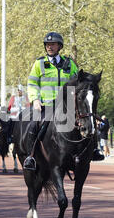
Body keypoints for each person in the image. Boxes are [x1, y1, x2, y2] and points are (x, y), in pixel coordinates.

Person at [23, 32, 81, 171]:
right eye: (47, 44)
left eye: (53, 44)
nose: (49, 47)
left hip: (67, 107)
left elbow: (78, 83)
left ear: (59, 46)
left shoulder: (69, 63)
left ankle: (93, 151)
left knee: (86, 123)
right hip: (46, 106)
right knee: (33, 126)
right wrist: (35, 99)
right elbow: (32, 83)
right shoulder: (39, 63)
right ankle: (30, 157)